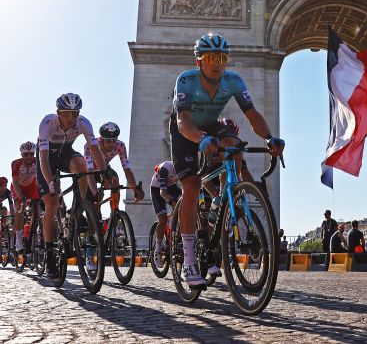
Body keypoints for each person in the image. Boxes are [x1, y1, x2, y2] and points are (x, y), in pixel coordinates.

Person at [170, 32, 285, 286]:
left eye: (221, 58)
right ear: (199, 61)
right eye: (210, 58)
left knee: (234, 146)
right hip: (185, 129)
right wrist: (199, 138)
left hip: (211, 125)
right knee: (191, 186)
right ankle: (189, 260)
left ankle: (223, 196)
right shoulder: (186, 81)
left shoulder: (233, 81)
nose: (216, 63)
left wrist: (269, 138)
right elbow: (182, 121)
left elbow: (252, 114)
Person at [37, 93, 108, 274]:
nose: (71, 119)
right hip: (47, 159)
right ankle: (50, 253)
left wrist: (103, 173)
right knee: (51, 203)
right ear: (58, 112)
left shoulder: (84, 122)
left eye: (75, 114)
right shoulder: (47, 123)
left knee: (82, 165)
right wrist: (49, 182)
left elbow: (95, 150)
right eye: (67, 114)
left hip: (65, 154)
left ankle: (80, 208)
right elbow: (43, 158)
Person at [85, 121, 145, 210]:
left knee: (115, 180)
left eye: (114, 140)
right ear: (101, 139)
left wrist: (135, 189)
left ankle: (115, 212)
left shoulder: (120, 145)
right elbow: (89, 173)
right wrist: (95, 194)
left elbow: (127, 170)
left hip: (104, 168)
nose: (112, 144)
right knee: (90, 198)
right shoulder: (91, 145)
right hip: (89, 170)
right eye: (108, 140)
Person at [10, 141, 41, 255]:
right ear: (21, 155)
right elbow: (14, 182)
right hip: (18, 187)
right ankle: (18, 241)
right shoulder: (16, 164)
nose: (29, 157)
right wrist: (20, 196)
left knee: (37, 210)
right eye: (26, 154)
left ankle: (33, 234)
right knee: (19, 211)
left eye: (31, 154)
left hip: (31, 186)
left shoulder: (38, 162)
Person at [149, 159, 181, 265]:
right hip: (157, 189)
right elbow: (162, 193)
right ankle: (157, 250)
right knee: (162, 219)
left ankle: (176, 237)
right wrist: (172, 203)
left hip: (171, 187)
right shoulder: (165, 168)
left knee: (184, 203)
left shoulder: (184, 168)